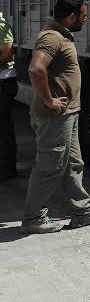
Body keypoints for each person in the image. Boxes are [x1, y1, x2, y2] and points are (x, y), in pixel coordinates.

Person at [21, 0, 90, 234]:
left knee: (72, 165)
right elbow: (36, 69)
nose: (85, 20)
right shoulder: (51, 37)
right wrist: (49, 100)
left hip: (67, 114)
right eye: (83, 16)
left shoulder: (62, 35)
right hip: (54, 116)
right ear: (71, 17)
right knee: (50, 166)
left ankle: (82, 212)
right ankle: (33, 218)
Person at [0, 10, 18, 181]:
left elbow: (7, 54)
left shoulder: (1, 26)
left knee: (3, 129)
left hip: (4, 82)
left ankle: (7, 168)